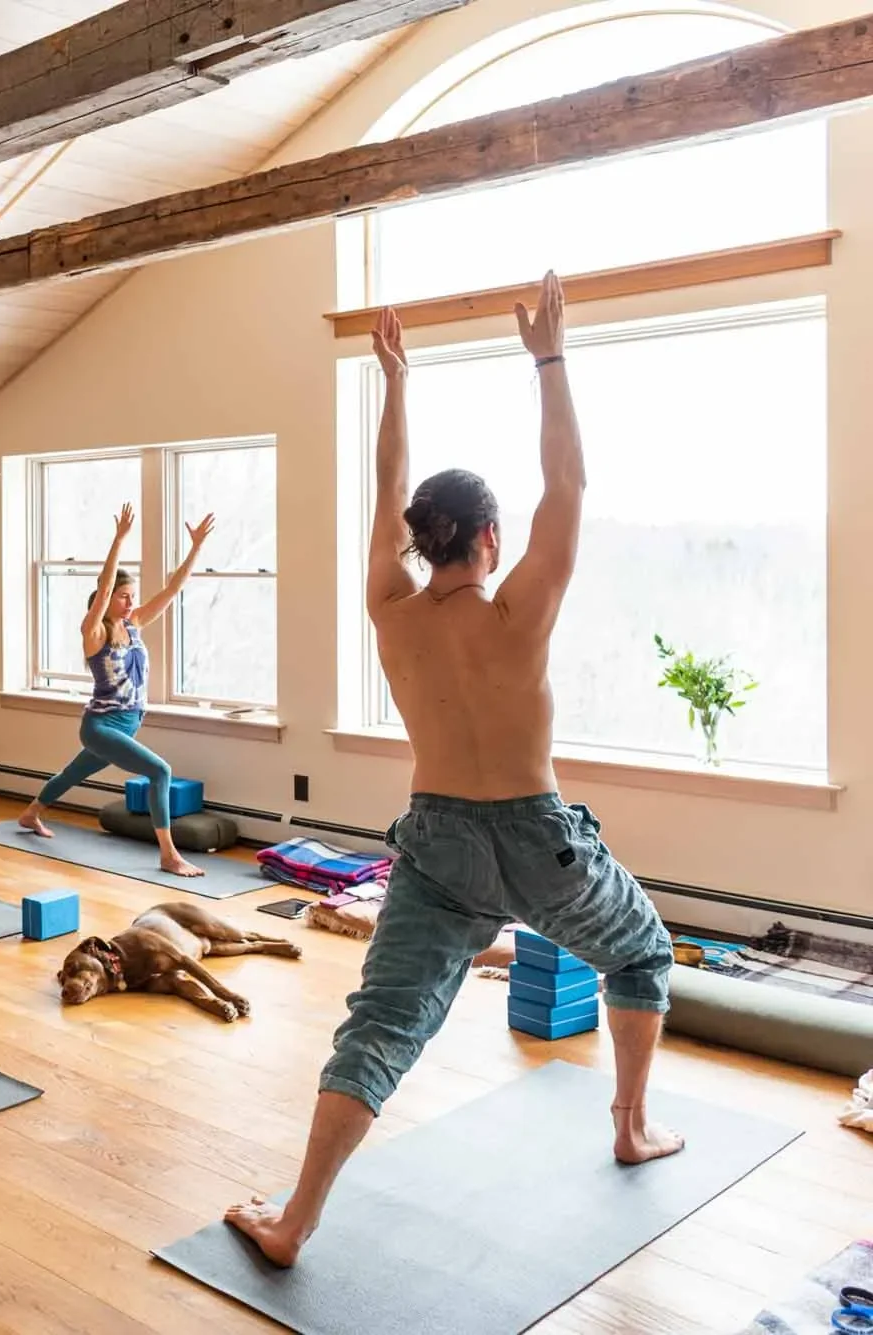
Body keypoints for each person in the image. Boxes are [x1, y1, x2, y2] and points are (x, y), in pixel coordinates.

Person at [225, 274, 680, 1269]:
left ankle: (293, 1220)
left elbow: (383, 494)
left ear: (417, 542)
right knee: (640, 954)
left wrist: (393, 383)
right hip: (537, 837)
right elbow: (567, 487)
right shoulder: (516, 613)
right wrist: (547, 359)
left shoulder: (389, 611)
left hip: (433, 840)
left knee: (383, 1023)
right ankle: (629, 1123)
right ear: (488, 539)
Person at [18, 501, 218, 876]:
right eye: (124, 596)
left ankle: (31, 813)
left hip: (126, 724)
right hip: (102, 726)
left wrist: (195, 547)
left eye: (132, 596)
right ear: (106, 600)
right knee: (160, 771)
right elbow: (105, 582)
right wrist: (119, 540)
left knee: (73, 773)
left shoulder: (136, 623)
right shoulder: (94, 633)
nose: (130, 602)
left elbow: (174, 588)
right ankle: (169, 855)